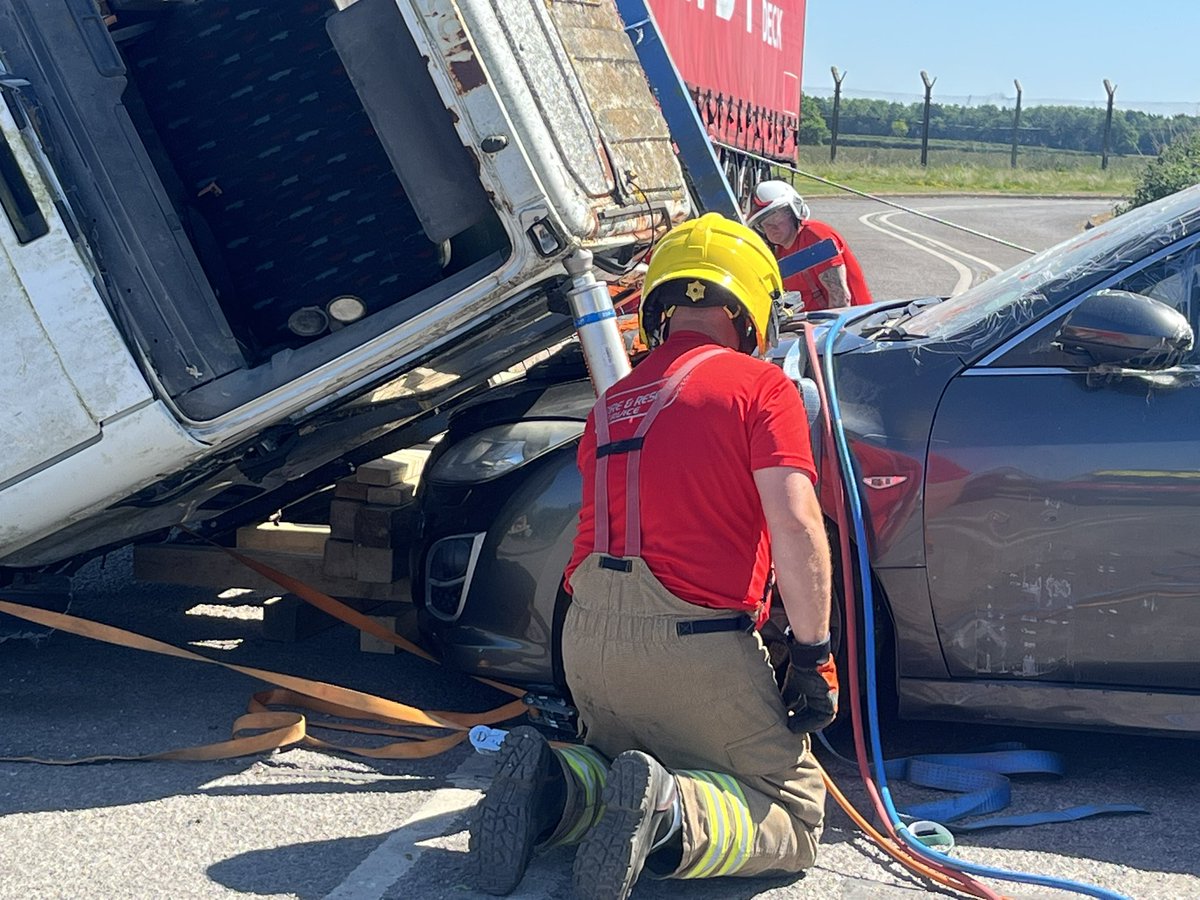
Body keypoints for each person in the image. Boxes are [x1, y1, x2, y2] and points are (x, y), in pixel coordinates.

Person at [468, 213, 837, 899]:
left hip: (591, 648)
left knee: (622, 767)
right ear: (752, 307)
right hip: (693, 646)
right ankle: (673, 815)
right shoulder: (762, 389)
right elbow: (795, 524)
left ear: (660, 309)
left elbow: (584, 551)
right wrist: (815, 656)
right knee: (794, 816)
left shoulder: (612, 405)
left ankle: (553, 788)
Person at [747, 180, 873, 310]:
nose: (771, 227)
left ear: (793, 212)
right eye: (764, 222)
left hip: (851, 323)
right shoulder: (779, 252)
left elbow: (840, 298)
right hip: (810, 325)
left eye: (776, 217)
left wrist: (831, 329)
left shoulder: (815, 235)